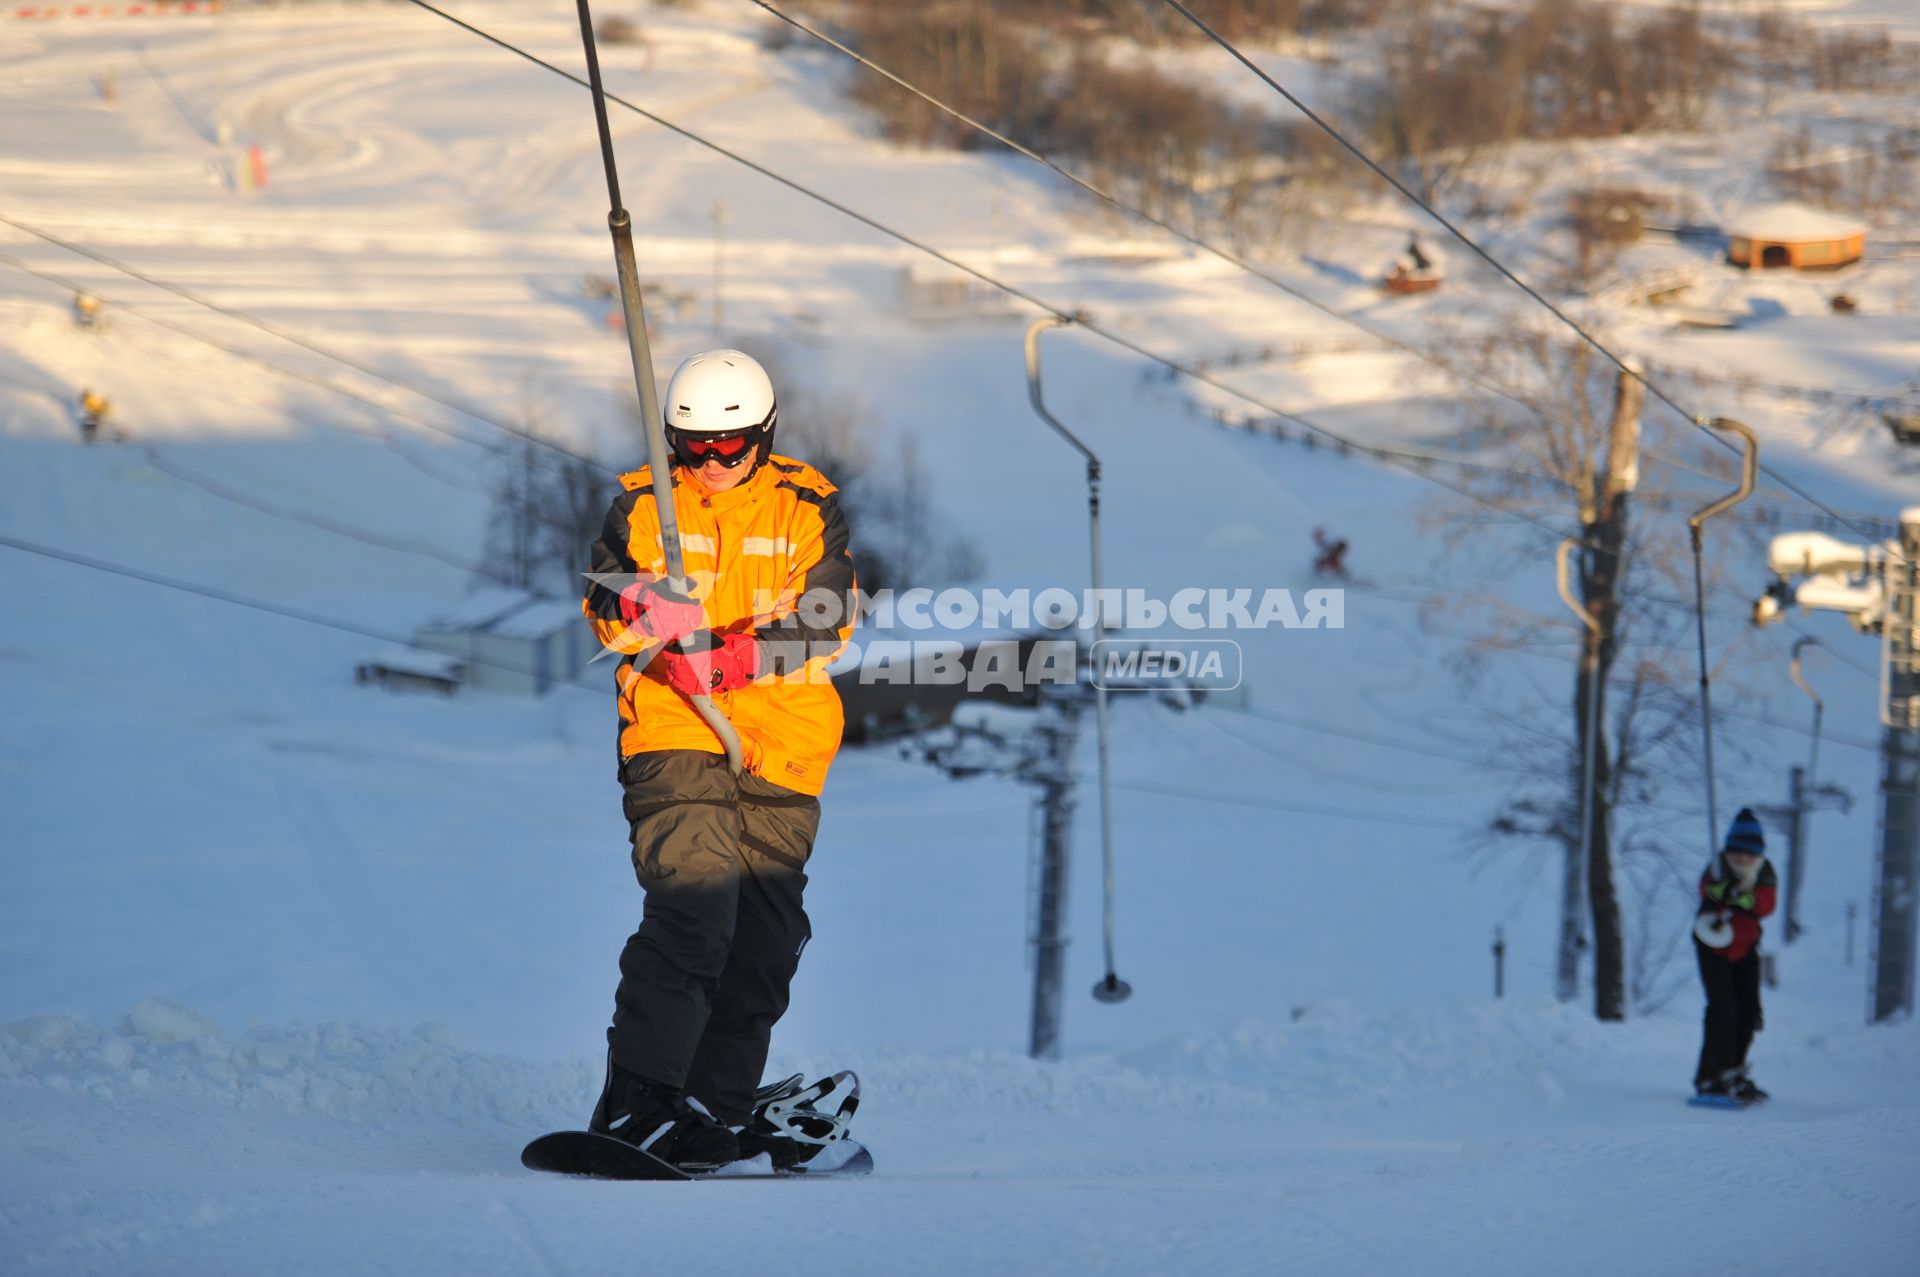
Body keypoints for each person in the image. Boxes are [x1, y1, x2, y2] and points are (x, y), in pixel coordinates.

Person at [579, 348, 857, 1171]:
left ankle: (712, 1110)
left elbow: (830, 607)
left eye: (732, 446)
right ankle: (638, 1099)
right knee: (695, 909)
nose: (713, 463)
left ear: (764, 436)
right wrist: (644, 605)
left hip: (782, 739)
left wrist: (738, 656)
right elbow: (602, 596)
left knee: (765, 940)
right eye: (694, 446)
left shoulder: (809, 502)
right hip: (674, 723)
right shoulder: (642, 501)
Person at [1692, 807, 1777, 1102]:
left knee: (1749, 1012)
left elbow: (1766, 903)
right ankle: (1712, 1074)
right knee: (1722, 1008)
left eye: (1749, 854)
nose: (1743, 859)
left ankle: (1735, 1068)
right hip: (1712, 944)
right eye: (1737, 853)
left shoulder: (1764, 872)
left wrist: (1746, 900)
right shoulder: (1717, 867)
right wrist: (1719, 892)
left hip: (1745, 946)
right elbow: (1708, 891)